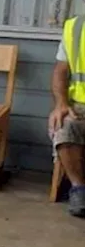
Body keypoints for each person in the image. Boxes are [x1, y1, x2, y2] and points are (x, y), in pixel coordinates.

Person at [51, 14, 86, 216]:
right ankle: (79, 189)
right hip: (81, 106)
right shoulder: (75, 27)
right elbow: (60, 71)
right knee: (63, 125)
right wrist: (61, 104)